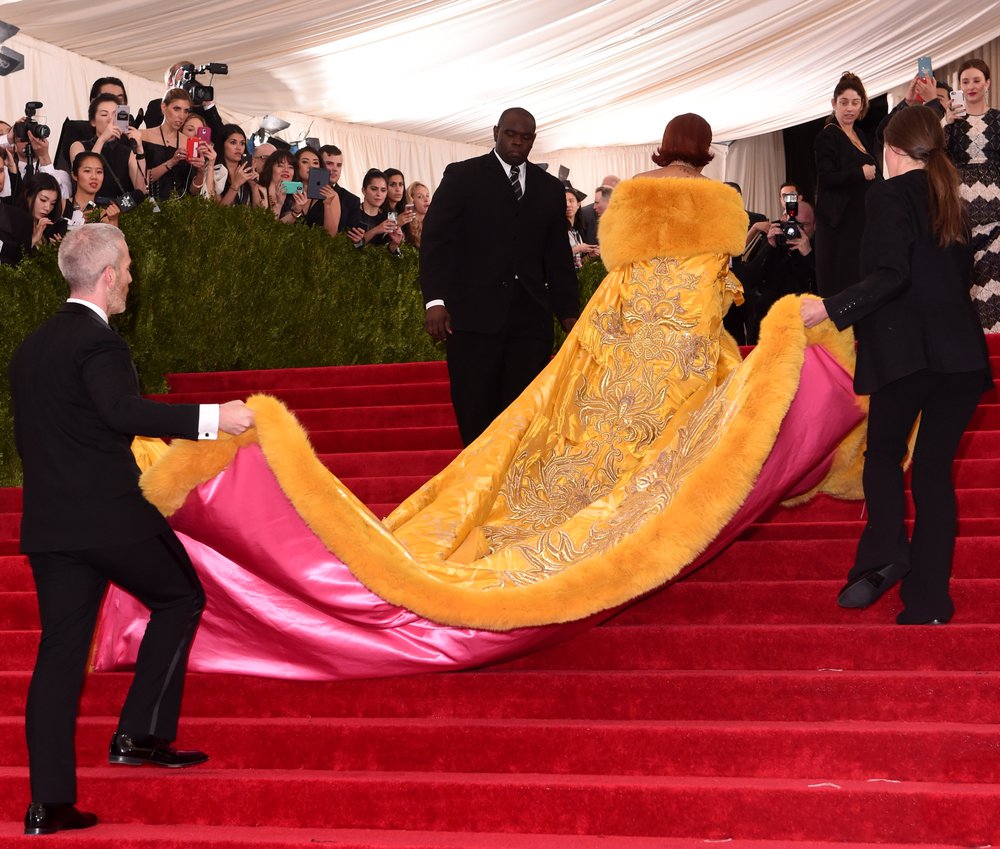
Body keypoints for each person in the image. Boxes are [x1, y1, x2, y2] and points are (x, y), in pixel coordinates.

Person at [92, 113, 865, 687]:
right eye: (517, 130)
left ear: (665, 149)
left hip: (592, 328)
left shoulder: (631, 200)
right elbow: (704, 299)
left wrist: (578, 320)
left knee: (539, 438)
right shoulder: (715, 213)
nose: (523, 138)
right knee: (620, 448)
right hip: (616, 336)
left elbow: (605, 271)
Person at [8, 224, 255, 835]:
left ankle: (48, 803)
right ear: (110, 274)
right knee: (182, 597)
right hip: (111, 516)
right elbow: (120, 413)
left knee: (59, 656)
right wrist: (213, 418)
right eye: (130, 268)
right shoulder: (101, 344)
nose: (133, 279)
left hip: (49, 526)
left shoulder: (30, 347)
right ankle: (140, 734)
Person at [801, 105, 993, 624]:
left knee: (882, 456)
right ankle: (930, 602)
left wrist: (828, 307)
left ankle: (886, 555)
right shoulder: (949, 199)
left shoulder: (887, 195)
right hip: (961, 361)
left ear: (891, 150)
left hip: (907, 354)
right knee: (932, 475)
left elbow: (891, 275)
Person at [420, 107, 580, 445]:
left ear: (533, 141)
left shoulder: (549, 189)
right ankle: (477, 487)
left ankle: (513, 490)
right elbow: (436, 243)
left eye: (525, 137)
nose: (517, 143)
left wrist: (568, 313)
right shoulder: (463, 176)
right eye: (510, 134)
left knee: (523, 416)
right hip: (473, 319)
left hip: (530, 322)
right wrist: (435, 300)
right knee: (474, 411)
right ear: (496, 133)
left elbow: (558, 257)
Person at [944, 59, 1000, 331]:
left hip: (996, 212)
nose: (971, 86)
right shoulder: (952, 123)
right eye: (965, 82)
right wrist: (946, 121)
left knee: (995, 276)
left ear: (987, 82)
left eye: (977, 80)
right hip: (960, 210)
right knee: (963, 274)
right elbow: (934, 156)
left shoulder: (998, 119)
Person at [814, 72, 880, 296]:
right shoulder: (828, 136)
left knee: (862, 279)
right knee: (842, 283)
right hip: (839, 223)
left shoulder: (860, 134)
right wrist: (859, 173)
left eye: (855, 102)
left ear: (862, 105)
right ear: (834, 104)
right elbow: (825, 179)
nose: (850, 108)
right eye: (844, 103)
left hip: (862, 220)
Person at [69, 94, 144, 198]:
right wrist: (102, 139)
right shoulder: (78, 146)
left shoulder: (127, 152)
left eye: (115, 115)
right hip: (88, 210)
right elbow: (82, 178)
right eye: (104, 115)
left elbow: (141, 191)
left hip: (118, 209)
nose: (110, 120)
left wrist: (140, 150)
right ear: (93, 121)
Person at [137, 89, 195, 200]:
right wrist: (171, 162)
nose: (181, 116)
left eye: (186, 111)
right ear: (164, 107)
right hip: (146, 207)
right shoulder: (142, 136)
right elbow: (139, 180)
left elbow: (193, 190)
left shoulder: (188, 142)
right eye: (177, 109)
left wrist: (202, 170)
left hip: (179, 209)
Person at [348, 168, 402, 252]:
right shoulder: (353, 213)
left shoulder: (388, 217)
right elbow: (351, 247)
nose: (379, 194)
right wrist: (376, 230)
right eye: (374, 189)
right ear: (364, 190)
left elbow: (388, 254)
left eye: (383, 190)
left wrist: (395, 243)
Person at [294, 146, 341, 235]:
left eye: (315, 163)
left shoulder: (331, 195)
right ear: (296, 165)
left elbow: (331, 235)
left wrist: (327, 205)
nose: (311, 166)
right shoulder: (289, 190)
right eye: (305, 162)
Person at [212, 124, 261, 208]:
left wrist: (254, 187)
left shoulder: (247, 173)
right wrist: (235, 186)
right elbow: (218, 212)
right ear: (222, 145)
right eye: (233, 142)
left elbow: (258, 214)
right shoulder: (214, 173)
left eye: (242, 143)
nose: (239, 148)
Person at [318, 144, 362, 232]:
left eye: (339, 165)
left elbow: (352, 239)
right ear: (318, 164)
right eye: (330, 163)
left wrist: (358, 240)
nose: (335, 169)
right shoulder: (303, 191)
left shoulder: (352, 200)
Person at [564, 182, 597, 268]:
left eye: (571, 201)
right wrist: (578, 249)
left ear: (578, 204)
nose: (567, 205)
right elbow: (555, 257)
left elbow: (578, 264)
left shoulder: (576, 231)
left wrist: (590, 255)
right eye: (563, 201)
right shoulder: (557, 229)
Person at [402, 181, 430, 248]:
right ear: (411, 201)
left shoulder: (435, 223)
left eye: (427, 196)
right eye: (420, 197)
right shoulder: (406, 228)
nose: (426, 200)